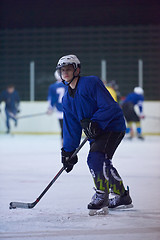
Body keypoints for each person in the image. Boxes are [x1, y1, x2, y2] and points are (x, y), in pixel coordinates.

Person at [56, 54, 133, 215]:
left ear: (77, 70)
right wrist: (68, 151)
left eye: (69, 69)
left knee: (95, 158)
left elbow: (110, 106)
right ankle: (122, 196)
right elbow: (71, 127)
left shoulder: (91, 82)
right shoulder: (66, 100)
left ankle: (101, 196)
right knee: (103, 162)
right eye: (63, 70)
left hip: (111, 126)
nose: (65, 72)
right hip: (96, 132)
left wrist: (95, 121)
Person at [47, 71, 67, 143]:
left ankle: (63, 142)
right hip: (69, 110)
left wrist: (50, 108)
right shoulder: (69, 84)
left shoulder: (52, 86)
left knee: (63, 128)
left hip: (59, 110)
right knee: (68, 128)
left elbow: (52, 99)